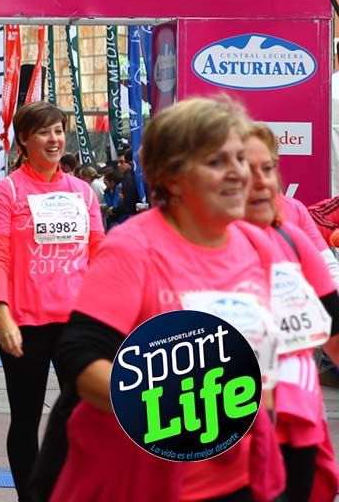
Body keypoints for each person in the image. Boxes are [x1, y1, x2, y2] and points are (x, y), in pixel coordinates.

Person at [38, 98, 280, 502]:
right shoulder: (134, 247)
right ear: (172, 177)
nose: (240, 173)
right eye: (217, 162)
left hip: (236, 479)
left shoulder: (256, 244)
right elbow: (80, 356)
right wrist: (183, 414)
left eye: (240, 158)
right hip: (142, 481)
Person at [0, 101, 104, 502]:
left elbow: (99, 253)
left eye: (59, 131)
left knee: (83, 417)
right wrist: (2, 313)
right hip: (24, 322)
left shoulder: (83, 192)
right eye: (44, 132)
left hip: (77, 323)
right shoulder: (7, 191)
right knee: (27, 416)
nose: (54, 139)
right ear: (23, 142)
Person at [244, 125, 339, 502]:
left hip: (292, 411)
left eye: (269, 168)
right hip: (220, 412)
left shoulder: (292, 224)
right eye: (248, 170)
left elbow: (330, 304)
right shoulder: (174, 242)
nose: (263, 181)